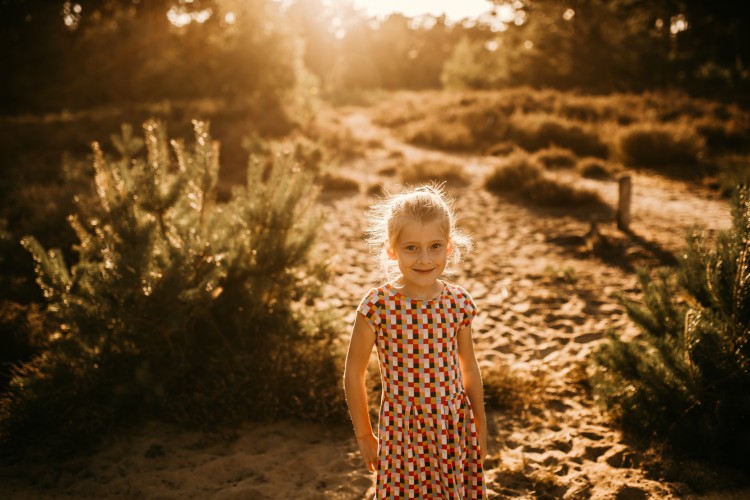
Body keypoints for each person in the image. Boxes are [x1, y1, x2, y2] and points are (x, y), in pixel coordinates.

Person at [343, 184, 487, 499]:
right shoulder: (377, 305)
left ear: (449, 247)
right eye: (411, 248)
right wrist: (365, 435)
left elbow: (468, 367)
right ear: (391, 250)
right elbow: (353, 372)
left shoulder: (458, 302)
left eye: (435, 246)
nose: (424, 258)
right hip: (401, 430)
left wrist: (480, 424)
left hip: (451, 425)